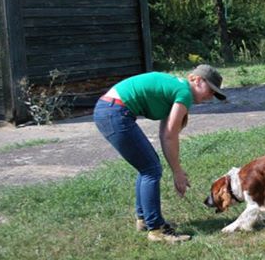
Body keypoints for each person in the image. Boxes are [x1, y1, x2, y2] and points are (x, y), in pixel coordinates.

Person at [94, 65, 227, 244]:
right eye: (210, 90)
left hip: (109, 110)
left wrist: (176, 169)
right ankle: (156, 230)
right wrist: (177, 172)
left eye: (214, 94)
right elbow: (170, 135)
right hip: (114, 112)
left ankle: (144, 220)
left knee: (148, 167)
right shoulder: (184, 92)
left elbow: (166, 135)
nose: (210, 97)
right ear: (196, 80)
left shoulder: (177, 89)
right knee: (151, 169)